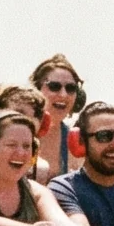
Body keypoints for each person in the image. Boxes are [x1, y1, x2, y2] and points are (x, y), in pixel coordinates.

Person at [28, 55, 85, 183]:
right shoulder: (17, 131)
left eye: (70, 88)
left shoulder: (77, 140)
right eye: (54, 86)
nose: (63, 94)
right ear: (36, 90)